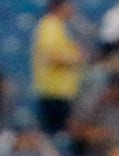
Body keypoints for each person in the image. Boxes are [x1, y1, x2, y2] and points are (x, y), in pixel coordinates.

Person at [31, 0, 86, 135]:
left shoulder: (60, 27)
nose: (72, 8)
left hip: (62, 92)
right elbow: (51, 56)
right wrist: (75, 58)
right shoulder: (50, 25)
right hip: (54, 92)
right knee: (55, 134)